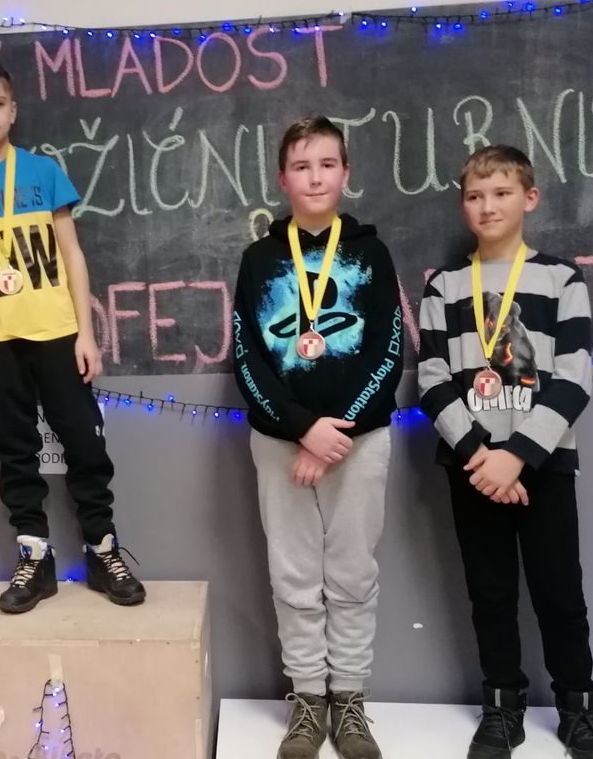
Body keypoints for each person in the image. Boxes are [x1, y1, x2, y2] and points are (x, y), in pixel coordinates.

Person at [0, 60, 144, 614]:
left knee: (84, 441)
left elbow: (72, 254)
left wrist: (87, 332)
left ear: (13, 111)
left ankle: (102, 550)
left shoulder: (43, 173)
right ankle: (35, 558)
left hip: (57, 332)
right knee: (13, 449)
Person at [418, 144, 593, 759]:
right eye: (475, 196)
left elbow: (575, 376)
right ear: (462, 206)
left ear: (529, 198)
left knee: (560, 592)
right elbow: (431, 379)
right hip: (473, 469)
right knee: (491, 593)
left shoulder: (562, 279)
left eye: (502, 193)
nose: (488, 206)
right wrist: (481, 454)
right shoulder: (444, 286)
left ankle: (579, 711)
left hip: (543, 466)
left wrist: (519, 455)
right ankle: (503, 708)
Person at [233, 116, 403, 759]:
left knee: (353, 573)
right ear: (283, 179)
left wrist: (339, 430)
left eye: (327, 164)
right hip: (281, 442)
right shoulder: (258, 260)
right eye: (301, 167)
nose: (315, 177)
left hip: (360, 441)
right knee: (294, 575)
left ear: (345, 173)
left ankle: (349, 699)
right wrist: (303, 428)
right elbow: (247, 357)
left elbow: (390, 349)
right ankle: (307, 698)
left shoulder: (372, 254)